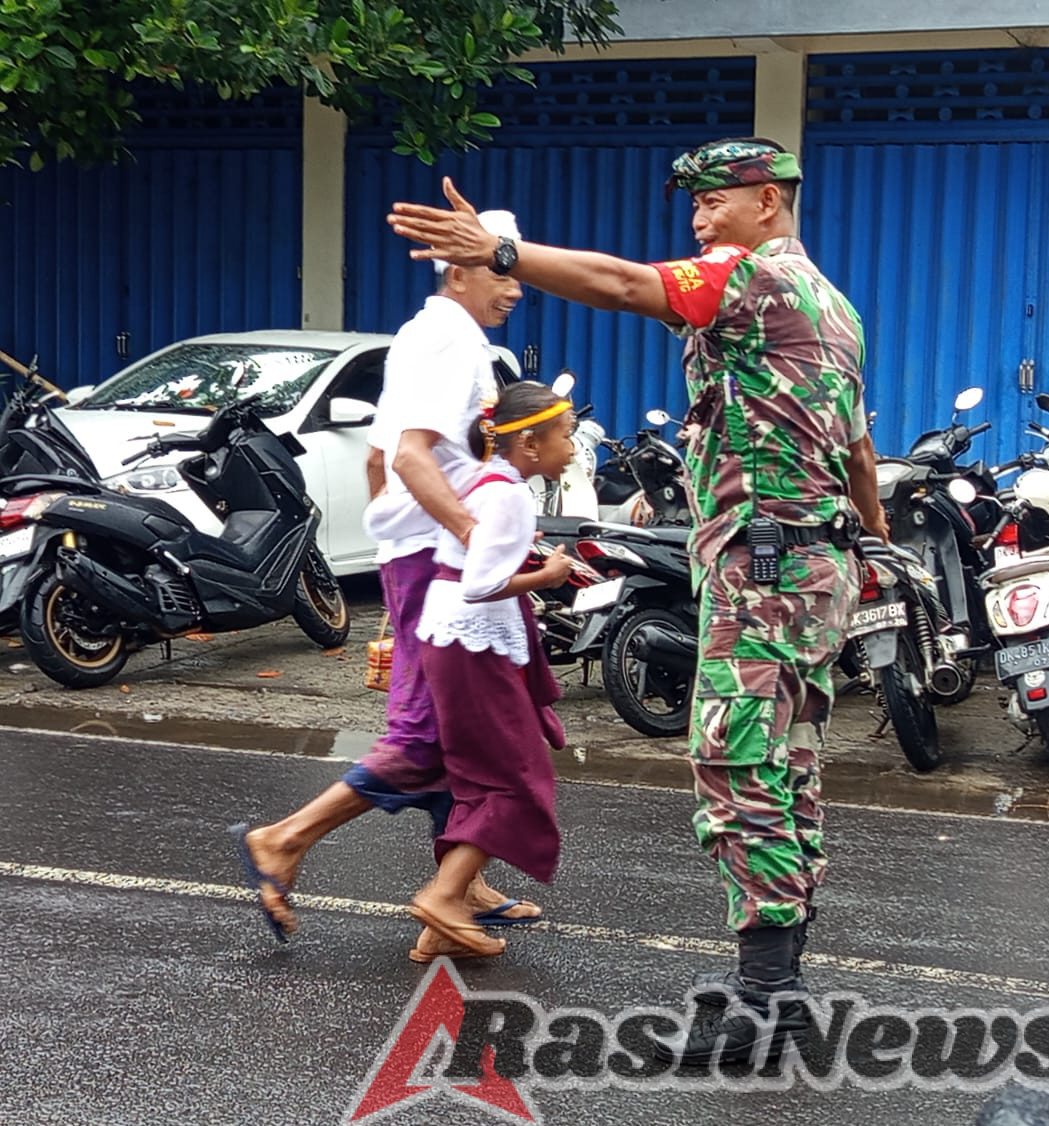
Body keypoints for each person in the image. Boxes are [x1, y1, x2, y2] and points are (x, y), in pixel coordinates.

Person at [388, 138, 890, 1059]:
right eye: (692, 208)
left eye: (716, 203)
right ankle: (776, 976)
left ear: (770, 203)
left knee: (737, 765)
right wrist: (872, 536)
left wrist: (502, 252)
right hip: (810, 564)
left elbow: (622, 285)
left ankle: (767, 999)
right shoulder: (833, 305)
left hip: (768, 565)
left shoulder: (750, 282)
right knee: (789, 764)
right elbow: (858, 449)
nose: (700, 222)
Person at [230, 208, 543, 950]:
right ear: (458, 269)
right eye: (502, 272)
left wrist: (396, 561)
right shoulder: (453, 342)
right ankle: (284, 839)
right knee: (430, 728)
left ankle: (461, 882)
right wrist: (473, 542)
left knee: (457, 724)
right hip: (441, 556)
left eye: (517, 272)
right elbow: (408, 458)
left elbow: (378, 461)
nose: (516, 289)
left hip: (421, 557)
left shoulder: (424, 336)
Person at [404, 380, 578, 960]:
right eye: (567, 436)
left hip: (458, 638)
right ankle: (444, 894)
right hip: (471, 642)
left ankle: (441, 927)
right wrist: (547, 577)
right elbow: (480, 584)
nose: (573, 449)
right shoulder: (509, 494)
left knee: (479, 774)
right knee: (517, 776)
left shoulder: (487, 481)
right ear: (529, 442)